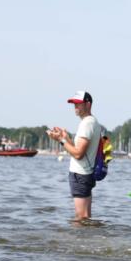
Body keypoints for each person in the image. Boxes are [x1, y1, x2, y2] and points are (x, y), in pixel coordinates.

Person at [48, 91, 103, 221]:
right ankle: (85, 240)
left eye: (78, 104)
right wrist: (65, 138)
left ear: (88, 104)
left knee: (81, 218)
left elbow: (78, 154)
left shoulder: (87, 123)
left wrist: (61, 141)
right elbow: (78, 150)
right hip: (84, 174)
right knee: (85, 217)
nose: (75, 107)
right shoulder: (90, 122)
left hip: (81, 175)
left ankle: (79, 241)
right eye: (74, 104)